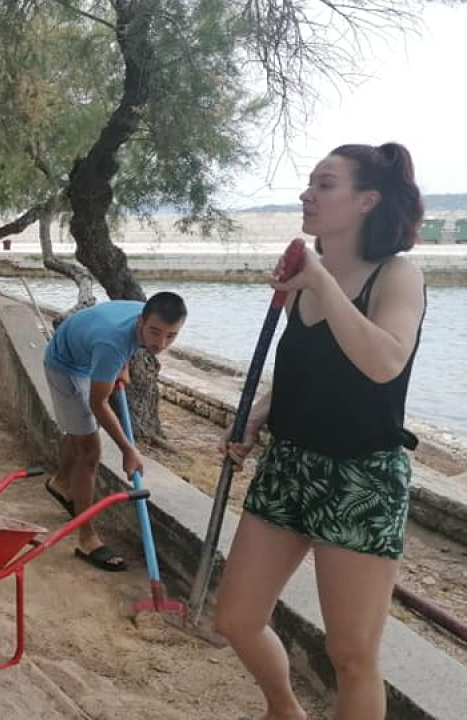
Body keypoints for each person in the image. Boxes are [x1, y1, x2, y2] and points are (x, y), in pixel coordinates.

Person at [214, 143, 426, 720]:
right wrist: (259, 414)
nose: (308, 194)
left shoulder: (397, 275)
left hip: (361, 475)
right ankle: (285, 710)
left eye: (325, 184)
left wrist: (320, 283)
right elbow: (304, 367)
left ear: (366, 201)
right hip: (289, 466)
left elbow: (384, 362)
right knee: (236, 617)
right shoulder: (307, 279)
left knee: (351, 654)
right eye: (310, 182)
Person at [42, 293, 188, 571]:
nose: (160, 344)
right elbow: (97, 403)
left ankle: (60, 482)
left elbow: (126, 341)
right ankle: (87, 538)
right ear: (141, 320)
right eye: (155, 333)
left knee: (80, 432)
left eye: (171, 336)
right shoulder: (112, 343)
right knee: (90, 451)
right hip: (64, 365)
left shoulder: (140, 318)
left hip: (87, 354)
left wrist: (121, 364)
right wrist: (128, 449)